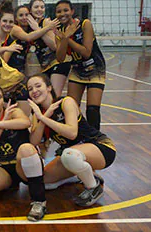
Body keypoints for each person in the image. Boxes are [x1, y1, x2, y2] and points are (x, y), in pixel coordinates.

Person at [27, 73, 116, 207]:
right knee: (44, 182)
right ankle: (79, 174)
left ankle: (93, 187)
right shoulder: (38, 113)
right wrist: (42, 118)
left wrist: (44, 118)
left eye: (38, 86)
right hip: (72, 153)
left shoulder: (65, 102)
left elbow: (72, 133)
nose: (34, 91)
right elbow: (33, 142)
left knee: (69, 155)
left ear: (49, 88)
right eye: (30, 89)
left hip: (100, 147)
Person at [0, 85, 47, 220]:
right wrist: (0, 123)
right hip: (4, 167)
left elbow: (25, 122)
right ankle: (7, 185)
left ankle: (39, 201)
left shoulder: (13, 112)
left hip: (24, 163)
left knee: (26, 148)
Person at [54, 0, 106, 130]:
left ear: (72, 11)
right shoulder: (59, 31)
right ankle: (77, 137)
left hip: (95, 68)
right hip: (77, 69)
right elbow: (60, 58)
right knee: (72, 108)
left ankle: (95, 140)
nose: (62, 14)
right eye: (59, 11)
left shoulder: (85, 24)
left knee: (92, 110)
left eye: (66, 10)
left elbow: (86, 52)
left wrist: (67, 39)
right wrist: (65, 37)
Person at [27, 0, 70, 97]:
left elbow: (54, 46)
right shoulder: (30, 25)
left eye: (42, 7)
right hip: (45, 65)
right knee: (46, 97)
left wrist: (38, 29)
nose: (40, 9)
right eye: (36, 7)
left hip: (58, 63)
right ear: (30, 10)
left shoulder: (46, 22)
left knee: (53, 96)